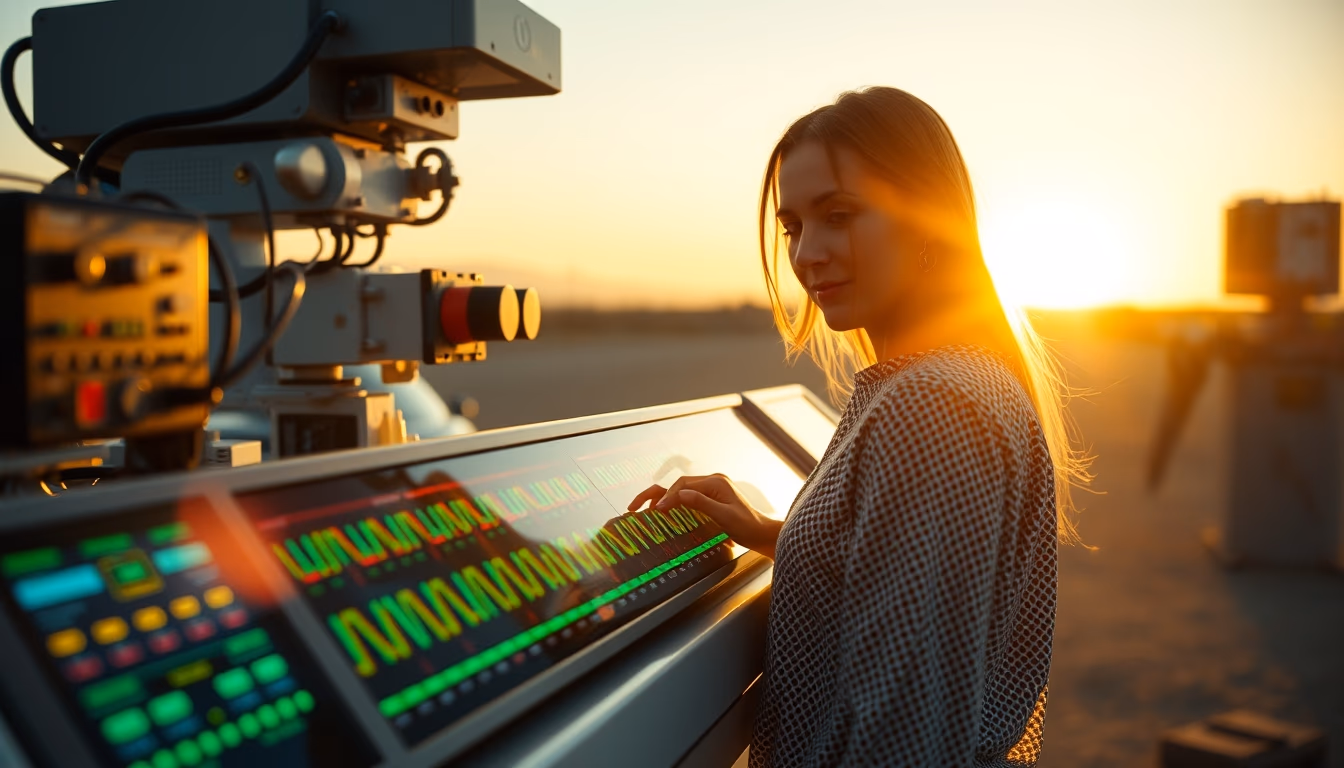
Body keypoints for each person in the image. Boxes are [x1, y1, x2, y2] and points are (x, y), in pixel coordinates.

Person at [627, 87, 1089, 766]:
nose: (807, 253)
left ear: (929, 222)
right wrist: (775, 536)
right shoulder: (958, 378)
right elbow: (906, 593)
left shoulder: (931, 405)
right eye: (791, 227)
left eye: (838, 216)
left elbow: (905, 736)